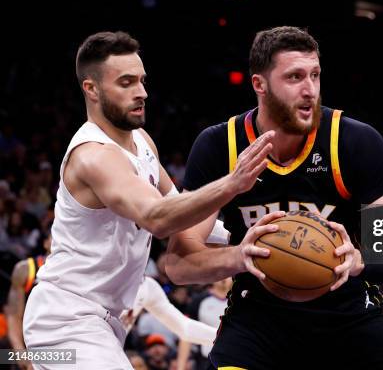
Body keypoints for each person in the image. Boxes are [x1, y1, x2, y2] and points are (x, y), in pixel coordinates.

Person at [166, 26, 383, 369]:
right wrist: (241, 257)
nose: (310, 90)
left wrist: (359, 259)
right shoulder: (218, 146)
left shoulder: (355, 140)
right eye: (295, 77)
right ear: (260, 84)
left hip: (345, 311)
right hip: (258, 315)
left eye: (315, 75)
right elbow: (178, 265)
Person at [22, 31, 273, 369]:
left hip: (105, 321)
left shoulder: (141, 141)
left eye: (141, 81)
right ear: (91, 89)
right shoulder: (93, 156)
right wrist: (232, 184)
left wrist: (258, 234)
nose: (141, 92)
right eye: (126, 83)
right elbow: (158, 217)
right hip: (66, 320)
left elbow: (183, 211)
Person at [4, 234, 51, 370]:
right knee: (6, 356)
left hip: (61, 342)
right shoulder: (26, 269)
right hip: (28, 340)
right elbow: (13, 316)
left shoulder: (76, 273)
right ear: (46, 243)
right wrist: (20, 352)